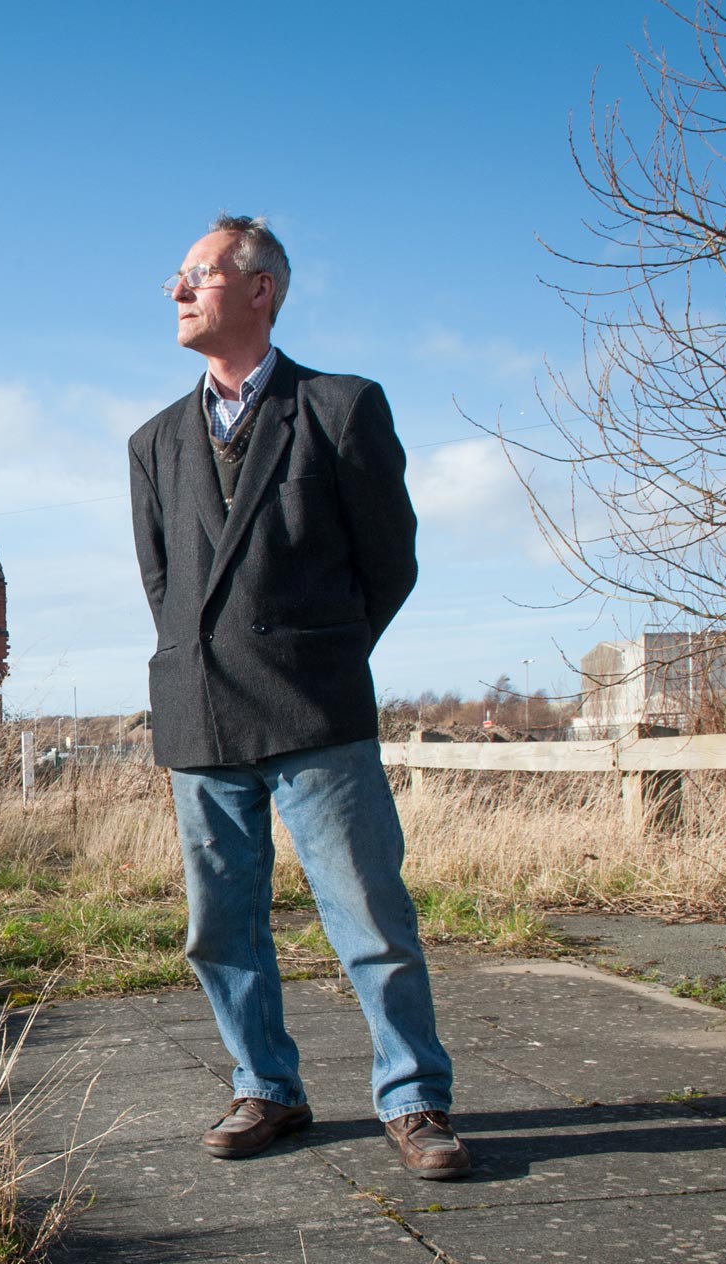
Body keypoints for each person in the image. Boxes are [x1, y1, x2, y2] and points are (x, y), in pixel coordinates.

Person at [127, 213, 469, 1180]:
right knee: (219, 925)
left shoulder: (342, 406)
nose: (176, 290)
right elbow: (167, 588)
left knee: (366, 913)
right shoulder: (152, 442)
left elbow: (388, 563)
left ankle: (414, 1100)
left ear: (260, 287)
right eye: (178, 275)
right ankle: (265, 1086)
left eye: (195, 273)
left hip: (315, 708)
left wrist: (319, 654)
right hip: (201, 714)